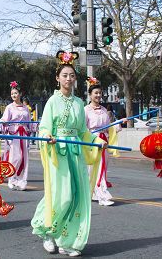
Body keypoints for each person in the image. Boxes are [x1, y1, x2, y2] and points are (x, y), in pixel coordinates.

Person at [31, 51, 106, 257]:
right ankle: (46, 230)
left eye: (72, 75)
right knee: (60, 196)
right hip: (58, 152)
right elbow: (44, 127)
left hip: (75, 153)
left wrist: (97, 141)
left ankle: (66, 239)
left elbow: (83, 131)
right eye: (65, 75)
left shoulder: (78, 103)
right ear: (58, 78)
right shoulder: (52, 102)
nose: (68, 79)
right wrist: (47, 136)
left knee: (76, 196)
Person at [84, 77, 123, 206]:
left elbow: (108, 127)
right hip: (93, 141)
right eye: (95, 93)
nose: (98, 95)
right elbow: (83, 129)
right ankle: (100, 195)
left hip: (104, 141)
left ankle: (98, 193)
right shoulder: (85, 110)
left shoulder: (105, 110)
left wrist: (117, 125)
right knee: (94, 169)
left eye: (100, 93)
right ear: (90, 95)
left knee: (102, 168)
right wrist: (93, 140)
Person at [0, 81, 31, 191]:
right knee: (15, 156)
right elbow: (4, 119)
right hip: (14, 134)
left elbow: (29, 122)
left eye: (16, 93)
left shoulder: (26, 108)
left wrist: (34, 128)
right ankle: (12, 178)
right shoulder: (9, 107)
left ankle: (22, 180)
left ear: (20, 94)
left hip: (24, 134)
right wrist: (3, 123)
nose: (13, 95)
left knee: (24, 157)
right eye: (12, 93)